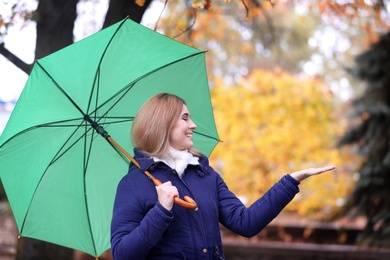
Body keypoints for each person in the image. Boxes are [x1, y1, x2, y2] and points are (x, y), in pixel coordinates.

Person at [110, 93, 335, 259]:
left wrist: (291, 182)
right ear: (163, 124)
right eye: (185, 118)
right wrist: (160, 211)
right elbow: (123, 254)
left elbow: (245, 223)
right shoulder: (134, 184)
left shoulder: (205, 174)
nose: (193, 125)